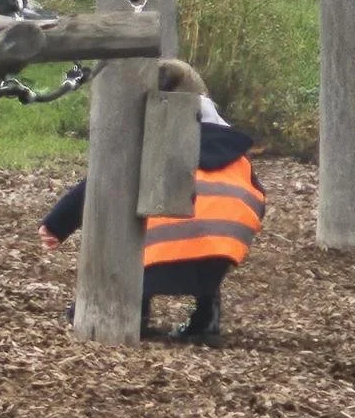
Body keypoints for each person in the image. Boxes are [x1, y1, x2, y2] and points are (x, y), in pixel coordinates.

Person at [38, 60, 265, 342]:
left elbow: (101, 184)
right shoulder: (234, 149)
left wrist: (57, 224)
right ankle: (207, 317)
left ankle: (134, 308)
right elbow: (258, 197)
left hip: (160, 255)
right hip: (221, 249)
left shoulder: (150, 144)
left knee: (131, 212)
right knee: (200, 214)